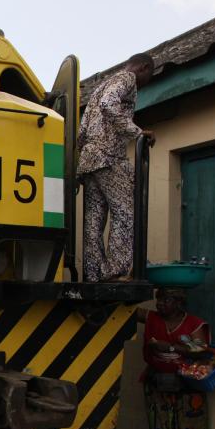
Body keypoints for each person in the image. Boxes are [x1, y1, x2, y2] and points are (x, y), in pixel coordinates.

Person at [77, 53, 155, 282]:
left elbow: (82, 132)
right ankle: (114, 270)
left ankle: (94, 274)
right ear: (144, 67)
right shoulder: (127, 79)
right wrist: (137, 132)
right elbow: (108, 105)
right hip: (108, 157)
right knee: (127, 212)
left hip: (90, 159)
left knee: (94, 221)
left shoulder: (101, 86)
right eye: (151, 74)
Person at [140, 288, 212, 429]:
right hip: (156, 379)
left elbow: (201, 350)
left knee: (186, 424)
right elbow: (127, 310)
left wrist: (170, 347)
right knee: (159, 423)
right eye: (159, 300)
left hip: (185, 382)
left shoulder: (194, 324)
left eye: (166, 300)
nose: (160, 303)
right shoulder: (151, 318)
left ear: (179, 304)